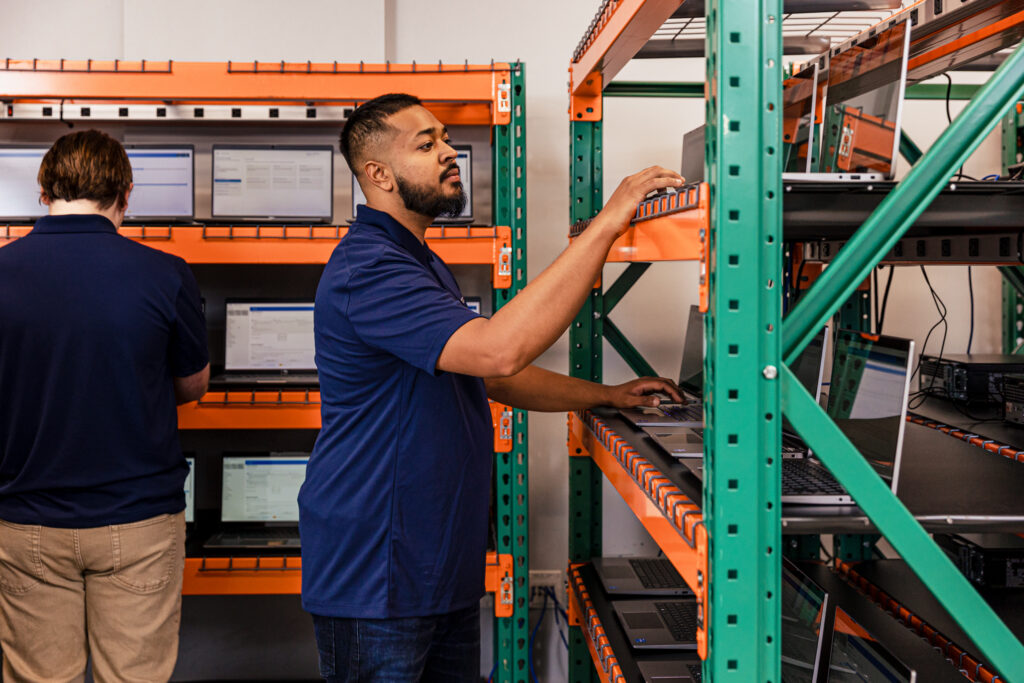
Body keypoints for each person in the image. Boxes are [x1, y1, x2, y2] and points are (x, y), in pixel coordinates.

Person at [298, 93, 684, 683]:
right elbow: (499, 348)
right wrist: (607, 224)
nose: (450, 153)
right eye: (425, 146)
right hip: (380, 576)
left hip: (435, 567)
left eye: (446, 139)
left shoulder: (417, 260)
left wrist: (605, 396)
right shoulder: (369, 269)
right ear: (376, 174)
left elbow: (494, 375)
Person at [0, 129, 210, 682]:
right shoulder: (166, 273)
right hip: (139, 518)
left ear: (44, 193)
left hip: (25, 518)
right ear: (126, 194)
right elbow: (193, 386)